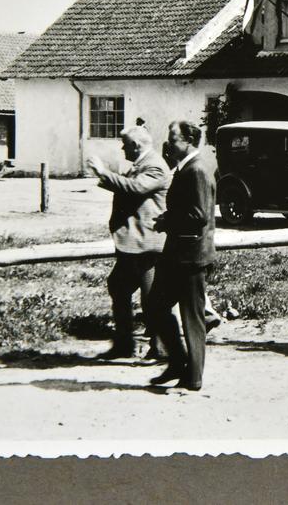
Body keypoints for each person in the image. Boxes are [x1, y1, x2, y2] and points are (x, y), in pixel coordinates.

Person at [86, 126, 170, 360]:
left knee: (152, 298)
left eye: (125, 144)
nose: (122, 148)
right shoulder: (142, 164)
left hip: (147, 243)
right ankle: (125, 344)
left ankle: (161, 348)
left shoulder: (154, 165)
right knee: (118, 286)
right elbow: (129, 185)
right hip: (135, 243)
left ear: (136, 145)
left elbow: (135, 188)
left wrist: (103, 172)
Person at [149, 121, 217, 390]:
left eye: (173, 139)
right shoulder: (185, 168)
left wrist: (168, 221)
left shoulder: (196, 170)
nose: (168, 144)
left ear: (189, 140)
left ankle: (194, 376)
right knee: (155, 306)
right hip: (177, 254)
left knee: (192, 317)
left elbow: (198, 216)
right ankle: (177, 362)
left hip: (191, 256)